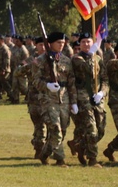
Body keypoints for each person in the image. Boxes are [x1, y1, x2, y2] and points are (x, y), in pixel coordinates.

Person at [33, 31, 76, 166]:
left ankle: (44, 153)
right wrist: (47, 85)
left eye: (63, 43)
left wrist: (73, 102)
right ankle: (60, 159)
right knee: (55, 129)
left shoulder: (66, 60)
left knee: (62, 129)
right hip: (48, 99)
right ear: (50, 44)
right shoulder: (40, 60)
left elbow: (71, 83)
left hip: (64, 99)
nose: (61, 45)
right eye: (58, 43)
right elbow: (35, 81)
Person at [69, 33, 109, 166]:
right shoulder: (76, 59)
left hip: (97, 98)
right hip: (83, 97)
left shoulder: (98, 58)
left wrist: (102, 93)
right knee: (91, 129)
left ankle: (81, 147)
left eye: (89, 42)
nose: (86, 44)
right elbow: (88, 70)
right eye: (84, 42)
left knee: (101, 130)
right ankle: (93, 159)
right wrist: (91, 55)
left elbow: (104, 79)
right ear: (79, 44)